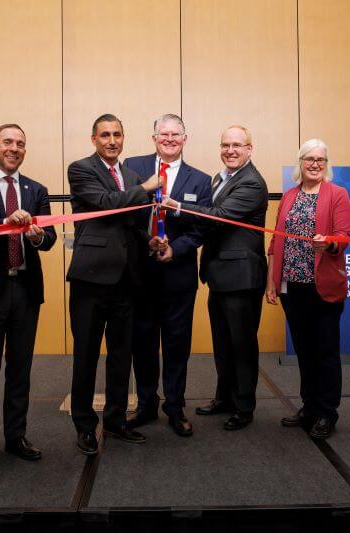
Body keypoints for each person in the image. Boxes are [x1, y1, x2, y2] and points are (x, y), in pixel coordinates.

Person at [67, 114, 163, 455]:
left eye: (117, 135)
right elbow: (107, 205)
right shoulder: (80, 169)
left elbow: (135, 224)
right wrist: (145, 189)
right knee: (86, 356)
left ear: (123, 138)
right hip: (91, 279)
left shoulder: (132, 175)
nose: (112, 140)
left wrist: (149, 241)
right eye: (105, 135)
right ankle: (84, 425)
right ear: (93, 138)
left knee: (122, 356)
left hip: (127, 279)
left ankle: (116, 420)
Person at [162, 125, 268, 431]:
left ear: (250, 149)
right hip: (220, 275)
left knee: (242, 344)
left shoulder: (252, 183)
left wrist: (178, 206)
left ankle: (244, 406)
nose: (230, 150)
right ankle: (225, 398)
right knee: (223, 343)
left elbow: (218, 215)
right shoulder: (221, 177)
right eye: (226, 145)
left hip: (241, 276)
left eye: (237, 145)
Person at [0, 124, 57, 466]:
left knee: (21, 369)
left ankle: (16, 436)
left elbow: (48, 241)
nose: (14, 148)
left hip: (26, 291)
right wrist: (5, 220)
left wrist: (34, 236)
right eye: (8, 142)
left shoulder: (37, 190)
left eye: (20, 143)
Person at [124, 114, 212, 437]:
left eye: (176, 134)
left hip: (178, 274)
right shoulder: (132, 168)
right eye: (164, 134)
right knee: (142, 342)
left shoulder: (201, 180)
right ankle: (146, 405)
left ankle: (175, 407)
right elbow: (126, 216)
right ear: (154, 138)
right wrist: (147, 240)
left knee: (177, 343)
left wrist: (176, 248)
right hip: (140, 272)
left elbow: (201, 228)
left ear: (185, 139)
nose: (170, 139)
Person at [265, 139, 350, 439]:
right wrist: (271, 281)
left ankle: (328, 412)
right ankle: (309, 406)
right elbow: (276, 241)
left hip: (323, 286)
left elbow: (344, 236)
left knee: (325, 351)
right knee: (303, 350)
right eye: (309, 159)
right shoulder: (289, 196)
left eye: (321, 159)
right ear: (299, 162)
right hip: (292, 286)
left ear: (327, 164)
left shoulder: (337, 194)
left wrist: (327, 242)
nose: (315, 164)